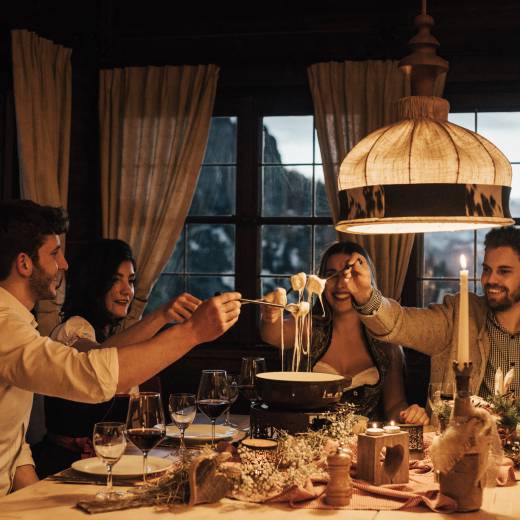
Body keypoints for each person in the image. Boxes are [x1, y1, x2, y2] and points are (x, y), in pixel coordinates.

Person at [0, 200, 241, 495]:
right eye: (54, 253)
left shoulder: (19, 325)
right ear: (24, 263)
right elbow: (89, 371)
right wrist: (192, 332)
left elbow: (13, 449)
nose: (64, 264)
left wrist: (33, 502)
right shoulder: (5, 327)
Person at [32, 239, 202, 478]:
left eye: (131, 281)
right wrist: (161, 317)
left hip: (105, 463)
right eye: (116, 280)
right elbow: (99, 360)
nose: (127, 291)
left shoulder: (111, 335)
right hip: (66, 468)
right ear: (95, 284)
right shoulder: (72, 329)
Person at [343, 225, 520, 401]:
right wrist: (366, 295)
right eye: (487, 269)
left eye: (504, 271)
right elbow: (401, 323)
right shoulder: (457, 315)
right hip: (462, 429)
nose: (490, 280)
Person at [260, 241, 429, 424]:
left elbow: (394, 406)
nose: (341, 284)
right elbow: (274, 334)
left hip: (365, 448)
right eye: (331, 275)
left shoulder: (385, 339)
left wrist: (410, 415)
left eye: (351, 275)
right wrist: (271, 315)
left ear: (367, 282)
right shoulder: (308, 326)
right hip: (305, 446)